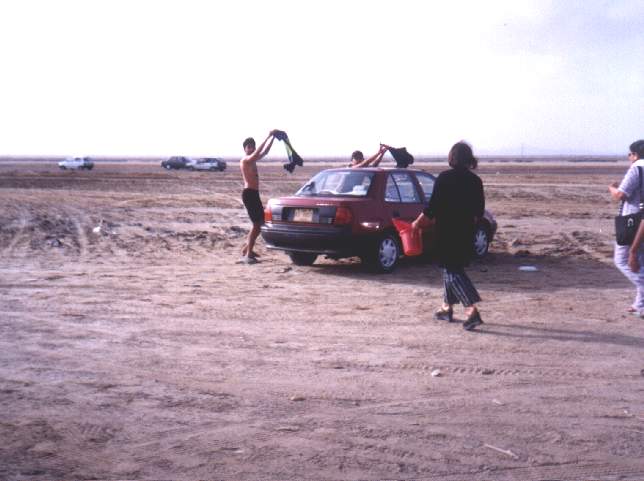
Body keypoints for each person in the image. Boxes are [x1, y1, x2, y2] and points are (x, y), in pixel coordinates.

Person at [411, 141, 485, 331]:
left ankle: (471, 311)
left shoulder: (444, 178)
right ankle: (446, 308)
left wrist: (417, 223)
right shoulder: (475, 181)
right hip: (466, 232)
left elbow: (432, 208)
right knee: (450, 269)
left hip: (446, 232)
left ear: (452, 157)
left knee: (453, 271)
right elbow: (479, 212)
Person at [609, 139, 644, 313]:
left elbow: (621, 195)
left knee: (622, 260)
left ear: (635, 155)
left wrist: (612, 188)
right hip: (640, 219)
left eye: (630, 154)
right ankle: (640, 304)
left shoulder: (637, 168)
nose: (629, 157)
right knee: (640, 260)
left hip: (634, 220)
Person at [239, 131, 276, 264]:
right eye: (248, 147)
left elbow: (265, 152)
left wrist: (273, 138)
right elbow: (257, 153)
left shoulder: (253, 160)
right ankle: (248, 254)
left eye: (252, 146)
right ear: (245, 149)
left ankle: (246, 249)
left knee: (261, 223)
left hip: (254, 194)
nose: (251, 149)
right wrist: (268, 135)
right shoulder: (246, 160)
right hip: (249, 194)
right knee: (256, 224)